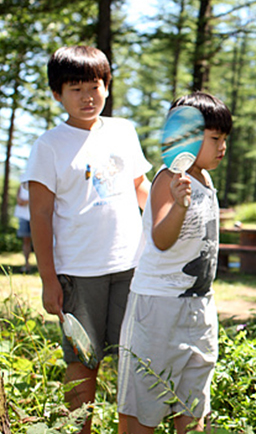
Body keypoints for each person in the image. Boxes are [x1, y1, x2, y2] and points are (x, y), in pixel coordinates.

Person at [21, 45, 152, 434]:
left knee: (135, 359)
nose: (87, 96)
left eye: (94, 86)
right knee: (82, 362)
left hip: (132, 267)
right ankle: (79, 429)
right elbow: (40, 216)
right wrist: (49, 280)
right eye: (75, 88)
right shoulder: (48, 146)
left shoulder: (123, 131)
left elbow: (139, 187)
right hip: (79, 272)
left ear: (107, 87)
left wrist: (172, 215)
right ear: (57, 94)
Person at [117, 92, 232, 434]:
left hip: (199, 306)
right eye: (215, 138)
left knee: (193, 403)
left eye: (225, 138)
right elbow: (161, 239)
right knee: (142, 406)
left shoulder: (205, 180)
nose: (222, 146)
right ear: (185, 135)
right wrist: (179, 206)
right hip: (158, 308)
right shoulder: (168, 180)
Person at [14, 184, 32, 273]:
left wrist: (26, 202)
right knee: (26, 241)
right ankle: (26, 264)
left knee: (40, 242)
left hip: (35, 216)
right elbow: (18, 199)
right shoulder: (21, 184)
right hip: (24, 216)